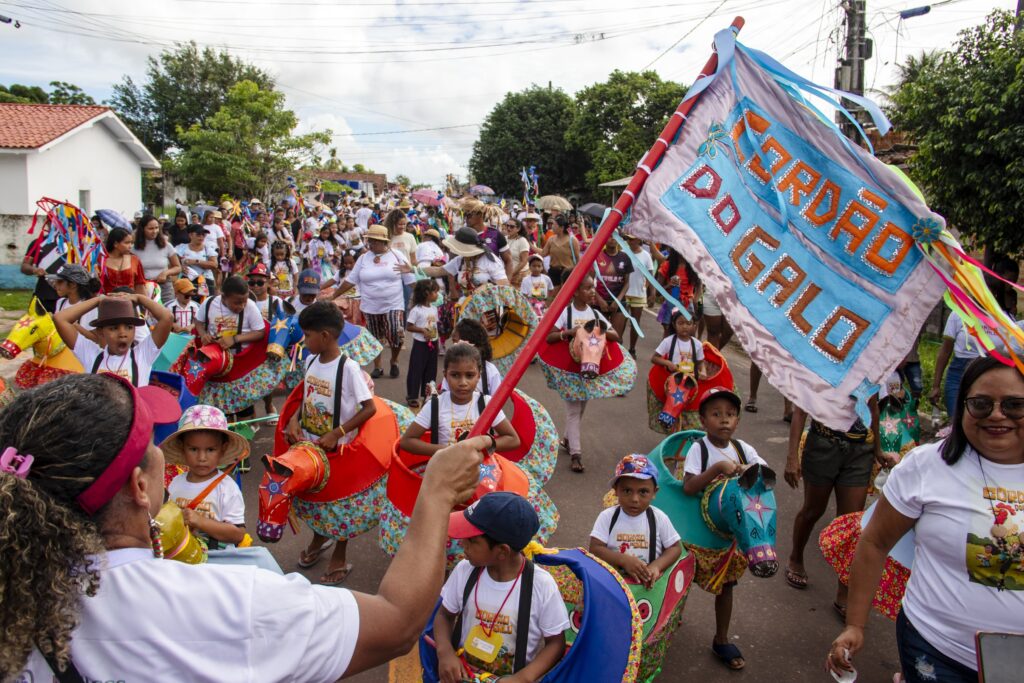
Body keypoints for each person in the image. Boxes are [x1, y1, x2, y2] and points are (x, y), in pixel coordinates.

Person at [1, 372, 490, 682]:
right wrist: (436, 495)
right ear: (140, 487)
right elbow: (397, 623)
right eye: (155, 444)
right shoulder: (228, 603)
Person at [828, 357, 1024, 683]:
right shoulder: (926, 466)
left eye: (1015, 405)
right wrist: (855, 625)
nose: (997, 414)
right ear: (962, 407)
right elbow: (875, 542)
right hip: (935, 649)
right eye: (981, 404)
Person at [285, 301, 377, 585]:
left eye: (308, 335)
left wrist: (337, 432)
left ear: (325, 336)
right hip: (312, 447)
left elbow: (369, 408)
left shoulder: (348, 369)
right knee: (317, 497)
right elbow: (307, 395)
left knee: (341, 503)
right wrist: (295, 420)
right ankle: (319, 538)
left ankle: (340, 553)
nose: (305, 340)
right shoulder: (310, 361)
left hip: (340, 450)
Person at [435, 491, 569, 681]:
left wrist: (523, 678)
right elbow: (444, 615)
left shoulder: (541, 585)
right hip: (461, 674)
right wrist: (445, 653)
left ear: (502, 551)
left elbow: (556, 643)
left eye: (472, 540)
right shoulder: (465, 570)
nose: (462, 543)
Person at [682, 387, 769, 670]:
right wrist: (717, 467)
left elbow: (766, 480)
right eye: (716, 414)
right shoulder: (700, 448)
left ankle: (721, 638)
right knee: (682, 580)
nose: (724, 420)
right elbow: (689, 486)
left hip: (727, 534)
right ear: (703, 420)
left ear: (738, 421)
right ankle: (669, 620)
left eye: (730, 414)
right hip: (697, 529)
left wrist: (750, 471)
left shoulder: (744, 450)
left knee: (728, 585)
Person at [785, 397, 888, 617]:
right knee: (813, 510)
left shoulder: (869, 366)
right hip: (823, 444)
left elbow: (874, 410)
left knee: (852, 524)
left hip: (861, 450)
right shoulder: (820, 364)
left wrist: (878, 450)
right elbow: (801, 411)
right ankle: (796, 557)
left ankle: (845, 588)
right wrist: (792, 456)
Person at [544, 274, 623, 473]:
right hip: (569, 370)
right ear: (576, 291)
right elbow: (549, 337)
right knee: (573, 411)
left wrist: (595, 331)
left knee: (580, 410)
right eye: (587, 288)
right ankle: (576, 455)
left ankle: (568, 440)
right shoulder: (565, 312)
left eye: (593, 288)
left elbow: (616, 335)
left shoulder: (595, 314)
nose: (592, 292)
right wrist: (569, 332)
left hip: (590, 370)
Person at [401, 343, 519, 455]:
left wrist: (483, 444)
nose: (463, 383)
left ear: (478, 375)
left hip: (482, 472)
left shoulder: (487, 404)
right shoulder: (435, 405)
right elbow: (407, 441)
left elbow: (513, 439)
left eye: (469, 375)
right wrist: (447, 451)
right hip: (447, 472)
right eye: (455, 375)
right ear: (446, 375)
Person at [330, 225, 414, 379]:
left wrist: (423, 296)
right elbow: (350, 280)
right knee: (374, 337)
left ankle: (394, 361)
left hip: (393, 304)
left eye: (374, 241)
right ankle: (378, 366)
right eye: (369, 241)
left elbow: (410, 280)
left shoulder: (397, 256)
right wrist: (334, 295)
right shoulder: (363, 258)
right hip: (370, 306)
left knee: (395, 333)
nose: (371, 244)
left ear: (384, 242)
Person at [589, 454, 683, 589]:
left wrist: (656, 566)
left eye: (643, 492)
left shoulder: (659, 518)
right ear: (616, 491)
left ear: (654, 492)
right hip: (612, 585)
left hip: (646, 587)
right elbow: (595, 548)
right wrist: (623, 560)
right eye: (627, 491)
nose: (634, 499)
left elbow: (675, 548)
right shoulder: (607, 517)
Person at [162, 404, 249, 548]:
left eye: (210, 450)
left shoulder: (227, 488)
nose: (201, 457)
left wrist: (200, 521)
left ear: (223, 448)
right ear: (182, 447)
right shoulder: (175, 483)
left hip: (216, 561)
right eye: (193, 449)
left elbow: (238, 534)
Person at [54, 294, 172, 388]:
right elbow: (60, 319)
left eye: (129, 327)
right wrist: (98, 300)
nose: (122, 334)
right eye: (114, 328)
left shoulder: (142, 355)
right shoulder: (91, 355)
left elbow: (167, 317)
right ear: (100, 332)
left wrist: (138, 298)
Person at [931, 313, 986, 419]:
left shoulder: (1001, 317)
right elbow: (945, 350)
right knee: (956, 419)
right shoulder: (958, 314)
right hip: (958, 375)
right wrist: (936, 386)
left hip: (988, 377)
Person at [195, 275, 265, 352]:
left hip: (240, 357)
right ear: (223, 297)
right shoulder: (209, 302)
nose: (242, 306)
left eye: (245, 301)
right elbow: (198, 321)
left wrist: (235, 339)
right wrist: (203, 335)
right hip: (213, 355)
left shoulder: (250, 306)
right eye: (237, 303)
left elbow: (260, 332)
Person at [405, 279, 440, 409]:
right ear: (426, 293)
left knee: (431, 369)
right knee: (416, 370)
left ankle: (428, 394)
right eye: (435, 292)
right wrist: (421, 330)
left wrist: (433, 335)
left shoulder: (434, 309)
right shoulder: (417, 310)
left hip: (433, 342)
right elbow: (409, 326)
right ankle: (412, 395)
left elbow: (434, 324)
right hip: (420, 344)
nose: (437, 294)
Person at [460, 197, 513, 280]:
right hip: (467, 283)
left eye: (469, 214)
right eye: (465, 214)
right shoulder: (463, 235)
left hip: (492, 285)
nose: (466, 217)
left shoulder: (495, 234)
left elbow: (508, 260)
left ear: (480, 214)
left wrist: (507, 284)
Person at [133, 214, 181, 304]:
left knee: (167, 312)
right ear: (142, 229)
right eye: (150, 228)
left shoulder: (166, 245)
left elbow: (178, 267)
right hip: (144, 287)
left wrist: (165, 273)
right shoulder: (134, 249)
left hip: (164, 287)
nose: (154, 231)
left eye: (156, 228)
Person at [593, 238, 634, 340]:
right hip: (599, 303)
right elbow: (590, 282)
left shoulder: (625, 257)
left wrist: (618, 301)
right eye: (609, 236)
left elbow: (627, 283)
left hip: (618, 303)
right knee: (599, 337)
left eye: (615, 236)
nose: (612, 239)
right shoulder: (597, 256)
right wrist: (600, 300)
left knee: (616, 338)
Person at [622, 234, 655, 358]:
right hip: (623, 293)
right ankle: (618, 347)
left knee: (635, 323)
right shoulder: (623, 252)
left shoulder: (646, 256)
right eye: (628, 239)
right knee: (621, 322)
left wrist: (652, 293)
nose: (629, 241)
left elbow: (650, 276)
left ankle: (632, 349)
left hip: (638, 293)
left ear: (638, 239)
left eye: (631, 239)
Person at [656, 249, 699, 337]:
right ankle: (668, 350)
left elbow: (699, 286)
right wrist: (669, 285)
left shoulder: (693, 267)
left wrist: (695, 300)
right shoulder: (667, 266)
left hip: (687, 304)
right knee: (669, 333)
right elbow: (657, 292)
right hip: (671, 303)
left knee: (689, 334)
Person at [51, 263, 101, 337]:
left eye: (60, 281)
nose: (55, 284)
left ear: (73, 284)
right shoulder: (61, 302)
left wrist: (71, 325)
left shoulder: (90, 306)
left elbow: (97, 340)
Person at [21, 230, 65, 313]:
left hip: (66, 295)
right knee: (35, 323)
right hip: (42, 293)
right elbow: (24, 266)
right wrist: (34, 270)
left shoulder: (75, 243)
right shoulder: (38, 242)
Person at [100, 228, 148, 296]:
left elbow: (140, 286)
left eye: (131, 243)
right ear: (115, 244)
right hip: (106, 303)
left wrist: (145, 305)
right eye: (127, 243)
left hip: (130, 303)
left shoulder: (134, 260)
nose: (130, 246)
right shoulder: (101, 260)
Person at [540, 215, 579, 295]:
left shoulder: (572, 240)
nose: (552, 226)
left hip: (567, 274)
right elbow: (543, 253)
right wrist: (530, 245)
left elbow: (578, 260)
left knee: (565, 298)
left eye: (554, 225)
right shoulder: (551, 239)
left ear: (561, 227)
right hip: (553, 272)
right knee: (550, 297)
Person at [176, 224, 218, 297]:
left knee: (205, 303)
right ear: (191, 235)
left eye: (203, 235)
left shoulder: (208, 249)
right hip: (187, 280)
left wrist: (196, 261)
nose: (201, 237)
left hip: (205, 280)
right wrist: (181, 267)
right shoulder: (182, 248)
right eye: (198, 234)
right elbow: (173, 263)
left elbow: (214, 265)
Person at [520, 255, 554, 320]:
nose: (536, 268)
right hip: (531, 305)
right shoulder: (526, 279)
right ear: (529, 267)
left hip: (543, 304)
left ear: (542, 267)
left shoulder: (546, 278)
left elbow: (551, 290)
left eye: (539, 266)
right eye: (534, 266)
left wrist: (548, 301)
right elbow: (524, 294)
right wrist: (528, 305)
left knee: (543, 320)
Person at [504, 217, 532, 287]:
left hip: (520, 275)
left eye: (512, 227)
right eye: (507, 225)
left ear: (518, 229)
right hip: (506, 274)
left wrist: (511, 273)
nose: (508, 228)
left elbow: (524, 261)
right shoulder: (504, 238)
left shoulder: (522, 241)